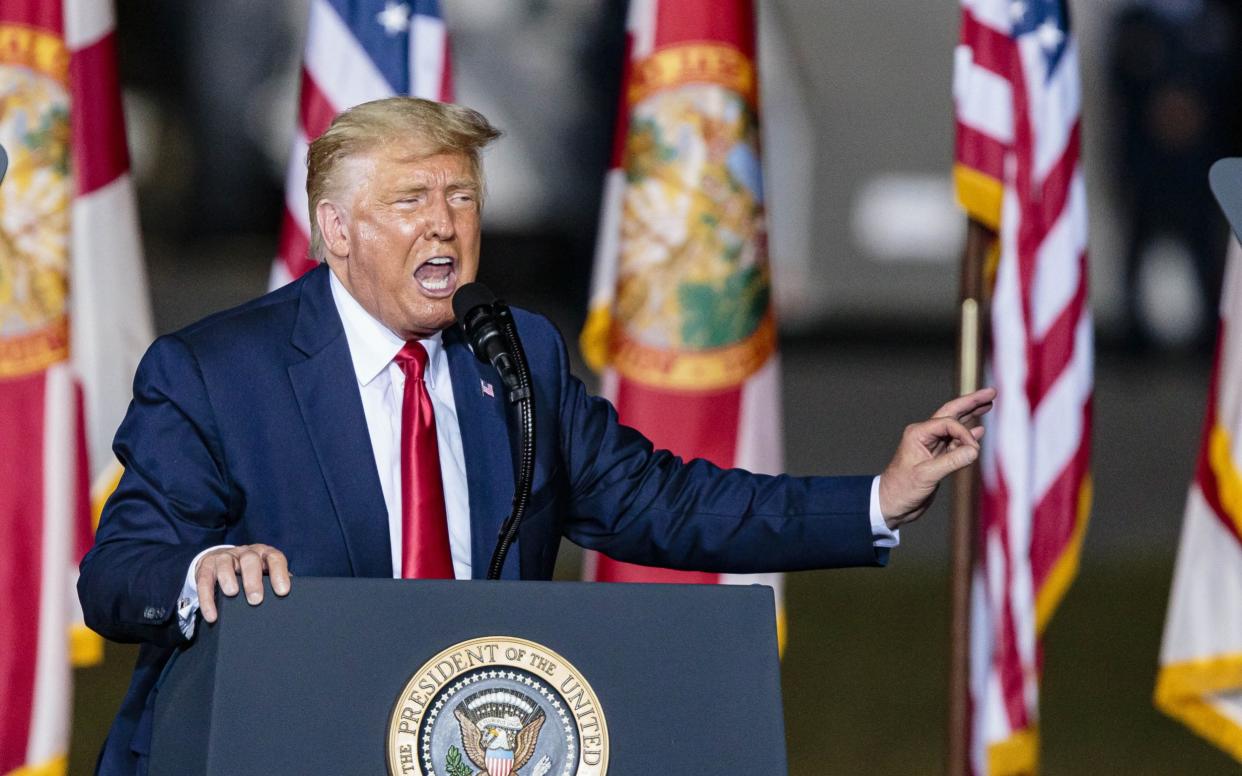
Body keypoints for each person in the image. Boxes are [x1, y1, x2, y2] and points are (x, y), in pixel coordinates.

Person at [77, 97, 994, 775]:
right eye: (411, 200)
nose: (444, 224)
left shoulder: (516, 355)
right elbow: (118, 572)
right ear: (336, 229)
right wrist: (203, 575)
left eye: (462, 197)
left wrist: (880, 497)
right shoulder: (215, 371)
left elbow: (663, 503)